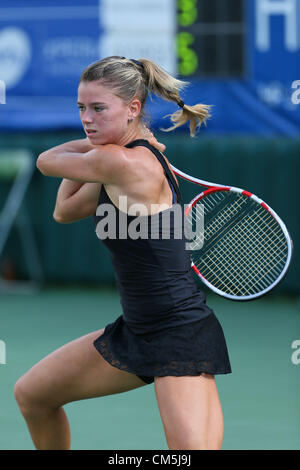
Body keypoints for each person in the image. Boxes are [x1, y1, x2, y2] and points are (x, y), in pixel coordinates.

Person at [14, 56, 231, 450]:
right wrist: (110, 140)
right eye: (81, 108)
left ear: (133, 108)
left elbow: (46, 161)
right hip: (136, 331)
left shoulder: (121, 161)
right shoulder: (120, 159)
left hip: (178, 334)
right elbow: (64, 211)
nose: (87, 118)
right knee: (33, 396)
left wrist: (100, 147)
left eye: (99, 109)